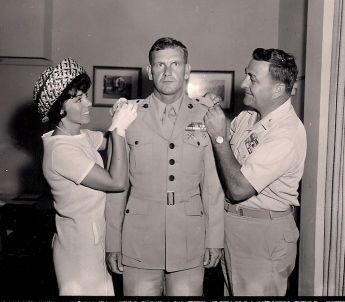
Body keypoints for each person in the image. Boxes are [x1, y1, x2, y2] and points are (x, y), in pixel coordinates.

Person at [105, 37, 224, 296]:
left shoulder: (205, 115)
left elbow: (213, 186)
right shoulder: (128, 115)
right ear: (149, 71)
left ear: (187, 70)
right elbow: (116, 186)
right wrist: (112, 241)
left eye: (175, 64)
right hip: (138, 238)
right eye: (159, 65)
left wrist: (215, 239)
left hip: (189, 239)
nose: (168, 72)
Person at [204, 48, 307, 296]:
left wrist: (218, 135)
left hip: (262, 236)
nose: (243, 84)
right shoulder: (250, 116)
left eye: (252, 78)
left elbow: (239, 189)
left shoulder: (286, 134)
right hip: (235, 227)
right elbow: (226, 152)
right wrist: (205, 110)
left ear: (278, 90)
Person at [33, 57, 138, 296]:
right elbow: (117, 182)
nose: (88, 103)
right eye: (78, 99)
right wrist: (118, 128)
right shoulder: (60, 150)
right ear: (60, 107)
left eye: (85, 95)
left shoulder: (79, 137)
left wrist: (121, 112)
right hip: (78, 249)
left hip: (91, 241)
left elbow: (110, 143)